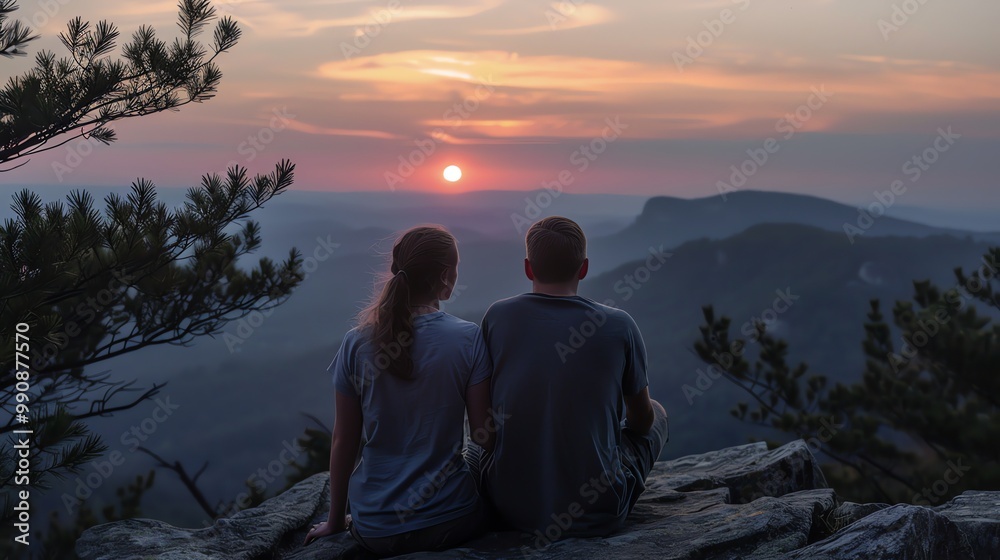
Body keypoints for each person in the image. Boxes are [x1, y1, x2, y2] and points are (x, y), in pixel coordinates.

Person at [304, 225, 494, 557]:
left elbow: (345, 440)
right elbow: (483, 435)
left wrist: (336, 521)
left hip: (376, 531)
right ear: (446, 275)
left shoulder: (356, 342)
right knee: (475, 455)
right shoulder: (468, 338)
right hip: (451, 523)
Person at [481, 216, 669, 543]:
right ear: (583, 268)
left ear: (528, 268)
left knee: (473, 447)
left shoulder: (498, 317)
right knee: (659, 413)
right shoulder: (619, 325)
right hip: (598, 512)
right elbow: (641, 422)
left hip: (509, 509)